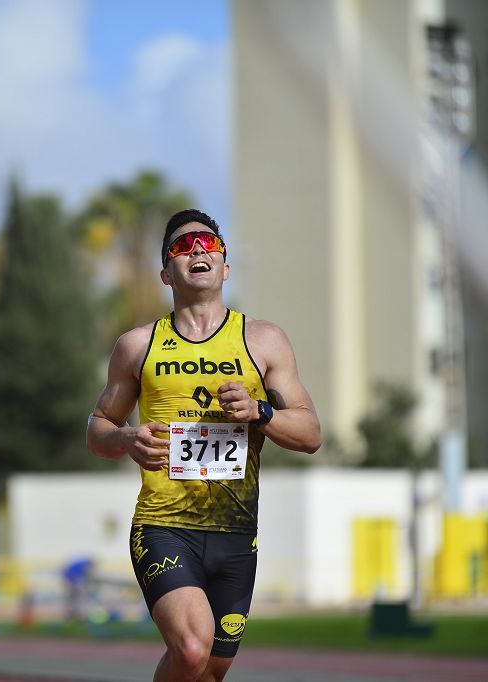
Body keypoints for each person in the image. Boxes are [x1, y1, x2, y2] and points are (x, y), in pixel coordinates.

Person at [86, 209, 321, 681]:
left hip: (235, 531)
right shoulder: (138, 346)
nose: (197, 249)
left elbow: (311, 433)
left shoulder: (264, 340)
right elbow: (98, 427)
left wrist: (262, 411)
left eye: (209, 244)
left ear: (225, 266)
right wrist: (126, 438)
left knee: (211, 670)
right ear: (166, 273)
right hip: (164, 524)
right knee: (191, 649)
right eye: (182, 246)